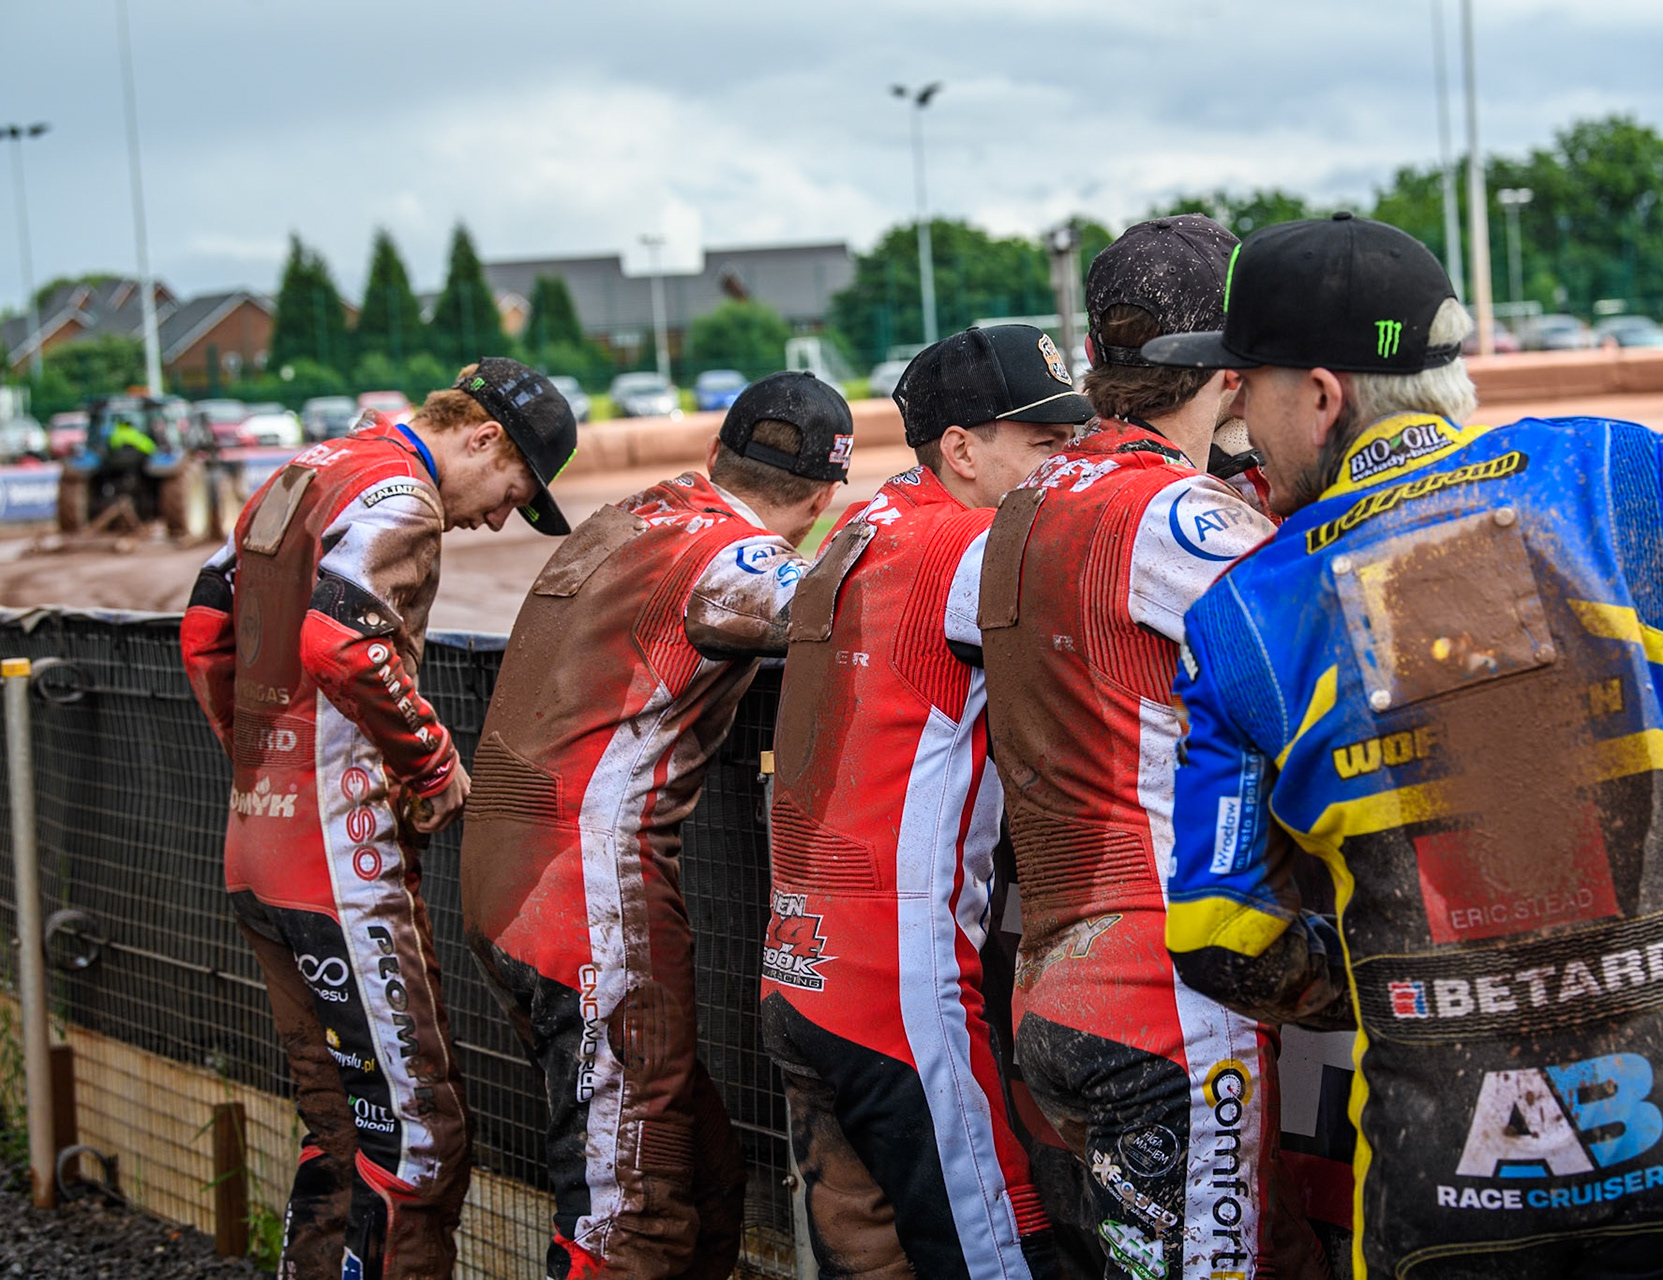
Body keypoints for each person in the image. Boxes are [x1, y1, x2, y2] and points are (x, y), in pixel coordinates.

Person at [1147, 213, 1663, 1277]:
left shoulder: (1240, 618)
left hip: (1443, 1182)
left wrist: (1382, 982)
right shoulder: (1621, 472)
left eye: (1246, 384)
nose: (1236, 423)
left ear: (1322, 395)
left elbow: (1223, 936)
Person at [968, 217, 1328, 1279]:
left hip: (1058, 988)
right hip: (1170, 995)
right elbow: (1328, 664)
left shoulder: (1031, 496)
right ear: (1224, 367)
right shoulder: (1174, 513)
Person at [180, 358, 577, 1280]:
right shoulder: (406, 497)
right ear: (482, 437)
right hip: (338, 863)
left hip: (255, 842)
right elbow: (342, 639)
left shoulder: (309, 467)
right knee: (419, 1144)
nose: (496, 516)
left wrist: (258, 760)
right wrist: (433, 763)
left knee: (340, 1126)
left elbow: (205, 628)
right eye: (513, 488)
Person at [461, 371, 848, 1280]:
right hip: (585, 896)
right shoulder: (734, 559)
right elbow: (854, 613)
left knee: (697, 1168)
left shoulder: (627, 516)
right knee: (630, 1207)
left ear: (715, 453)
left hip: (500, 877)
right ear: (828, 499)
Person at [759, 325, 1085, 1279]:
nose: (1063, 468)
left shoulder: (864, 526)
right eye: (1044, 445)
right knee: (992, 1255)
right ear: (961, 448)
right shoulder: (972, 547)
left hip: (799, 964)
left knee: (870, 1262)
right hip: (895, 984)